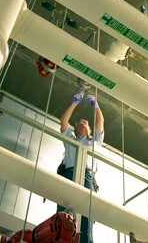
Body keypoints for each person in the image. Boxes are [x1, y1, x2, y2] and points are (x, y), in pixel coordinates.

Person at [57, 91, 104, 243]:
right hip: (69, 174)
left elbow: (100, 120)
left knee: (86, 214)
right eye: (79, 122)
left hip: (87, 176)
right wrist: (74, 103)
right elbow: (64, 120)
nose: (82, 122)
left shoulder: (95, 142)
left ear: (89, 130)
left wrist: (96, 107)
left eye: (85, 122)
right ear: (75, 129)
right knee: (64, 212)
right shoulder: (70, 139)